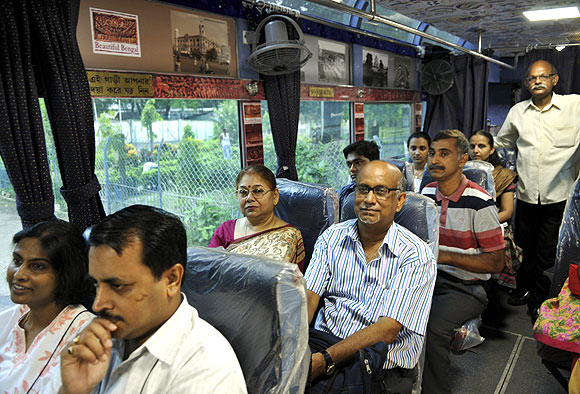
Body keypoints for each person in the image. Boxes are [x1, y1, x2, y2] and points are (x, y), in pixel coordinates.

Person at [56, 205, 247, 394]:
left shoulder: (207, 370)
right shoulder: (93, 340)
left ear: (172, 279)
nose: (98, 304)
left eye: (118, 286)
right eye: (96, 284)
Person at [305, 160, 437, 392]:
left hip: (380, 364)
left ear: (400, 201)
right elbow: (308, 299)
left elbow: (387, 330)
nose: (369, 199)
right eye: (363, 189)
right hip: (323, 344)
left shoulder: (416, 255)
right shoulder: (332, 237)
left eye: (381, 191)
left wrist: (326, 360)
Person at [421, 129, 505, 394]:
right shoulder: (426, 192)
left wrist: (444, 255)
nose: (434, 160)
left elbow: (495, 263)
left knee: (432, 328)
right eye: (432, 153)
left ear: (462, 159)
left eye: (444, 154)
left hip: (465, 286)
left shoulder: (480, 202)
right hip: (427, 277)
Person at [495, 59, 580, 317]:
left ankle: (542, 302)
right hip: (527, 195)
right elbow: (503, 142)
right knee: (524, 247)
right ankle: (524, 290)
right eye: (532, 78)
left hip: (560, 196)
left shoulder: (574, 105)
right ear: (527, 84)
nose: (537, 81)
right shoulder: (518, 112)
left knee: (548, 251)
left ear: (555, 79)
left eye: (543, 76)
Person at [0, 221, 94, 393]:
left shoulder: (87, 335)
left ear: (66, 273)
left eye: (37, 266)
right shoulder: (7, 319)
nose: (19, 274)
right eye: (17, 260)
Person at [209, 165, 305, 270]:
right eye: (243, 192)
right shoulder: (225, 230)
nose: (249, 198)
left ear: (275, 196)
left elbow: (291, 282)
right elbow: (209, 271)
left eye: (258, 191)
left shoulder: (290, 235)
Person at [469, 130, 522, 289]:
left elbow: (507, 212)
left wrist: (480, 224)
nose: (476, 150)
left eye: (481, 146)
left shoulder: (503, 175)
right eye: (472, 146)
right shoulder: (461, 173)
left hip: (493, 223)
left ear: (492, 149)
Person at [336, 140, 380, 210]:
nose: (352, 169)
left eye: (358, 163)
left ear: (374, 163)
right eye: (349, 165)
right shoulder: (344, 192)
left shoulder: (387, 193)